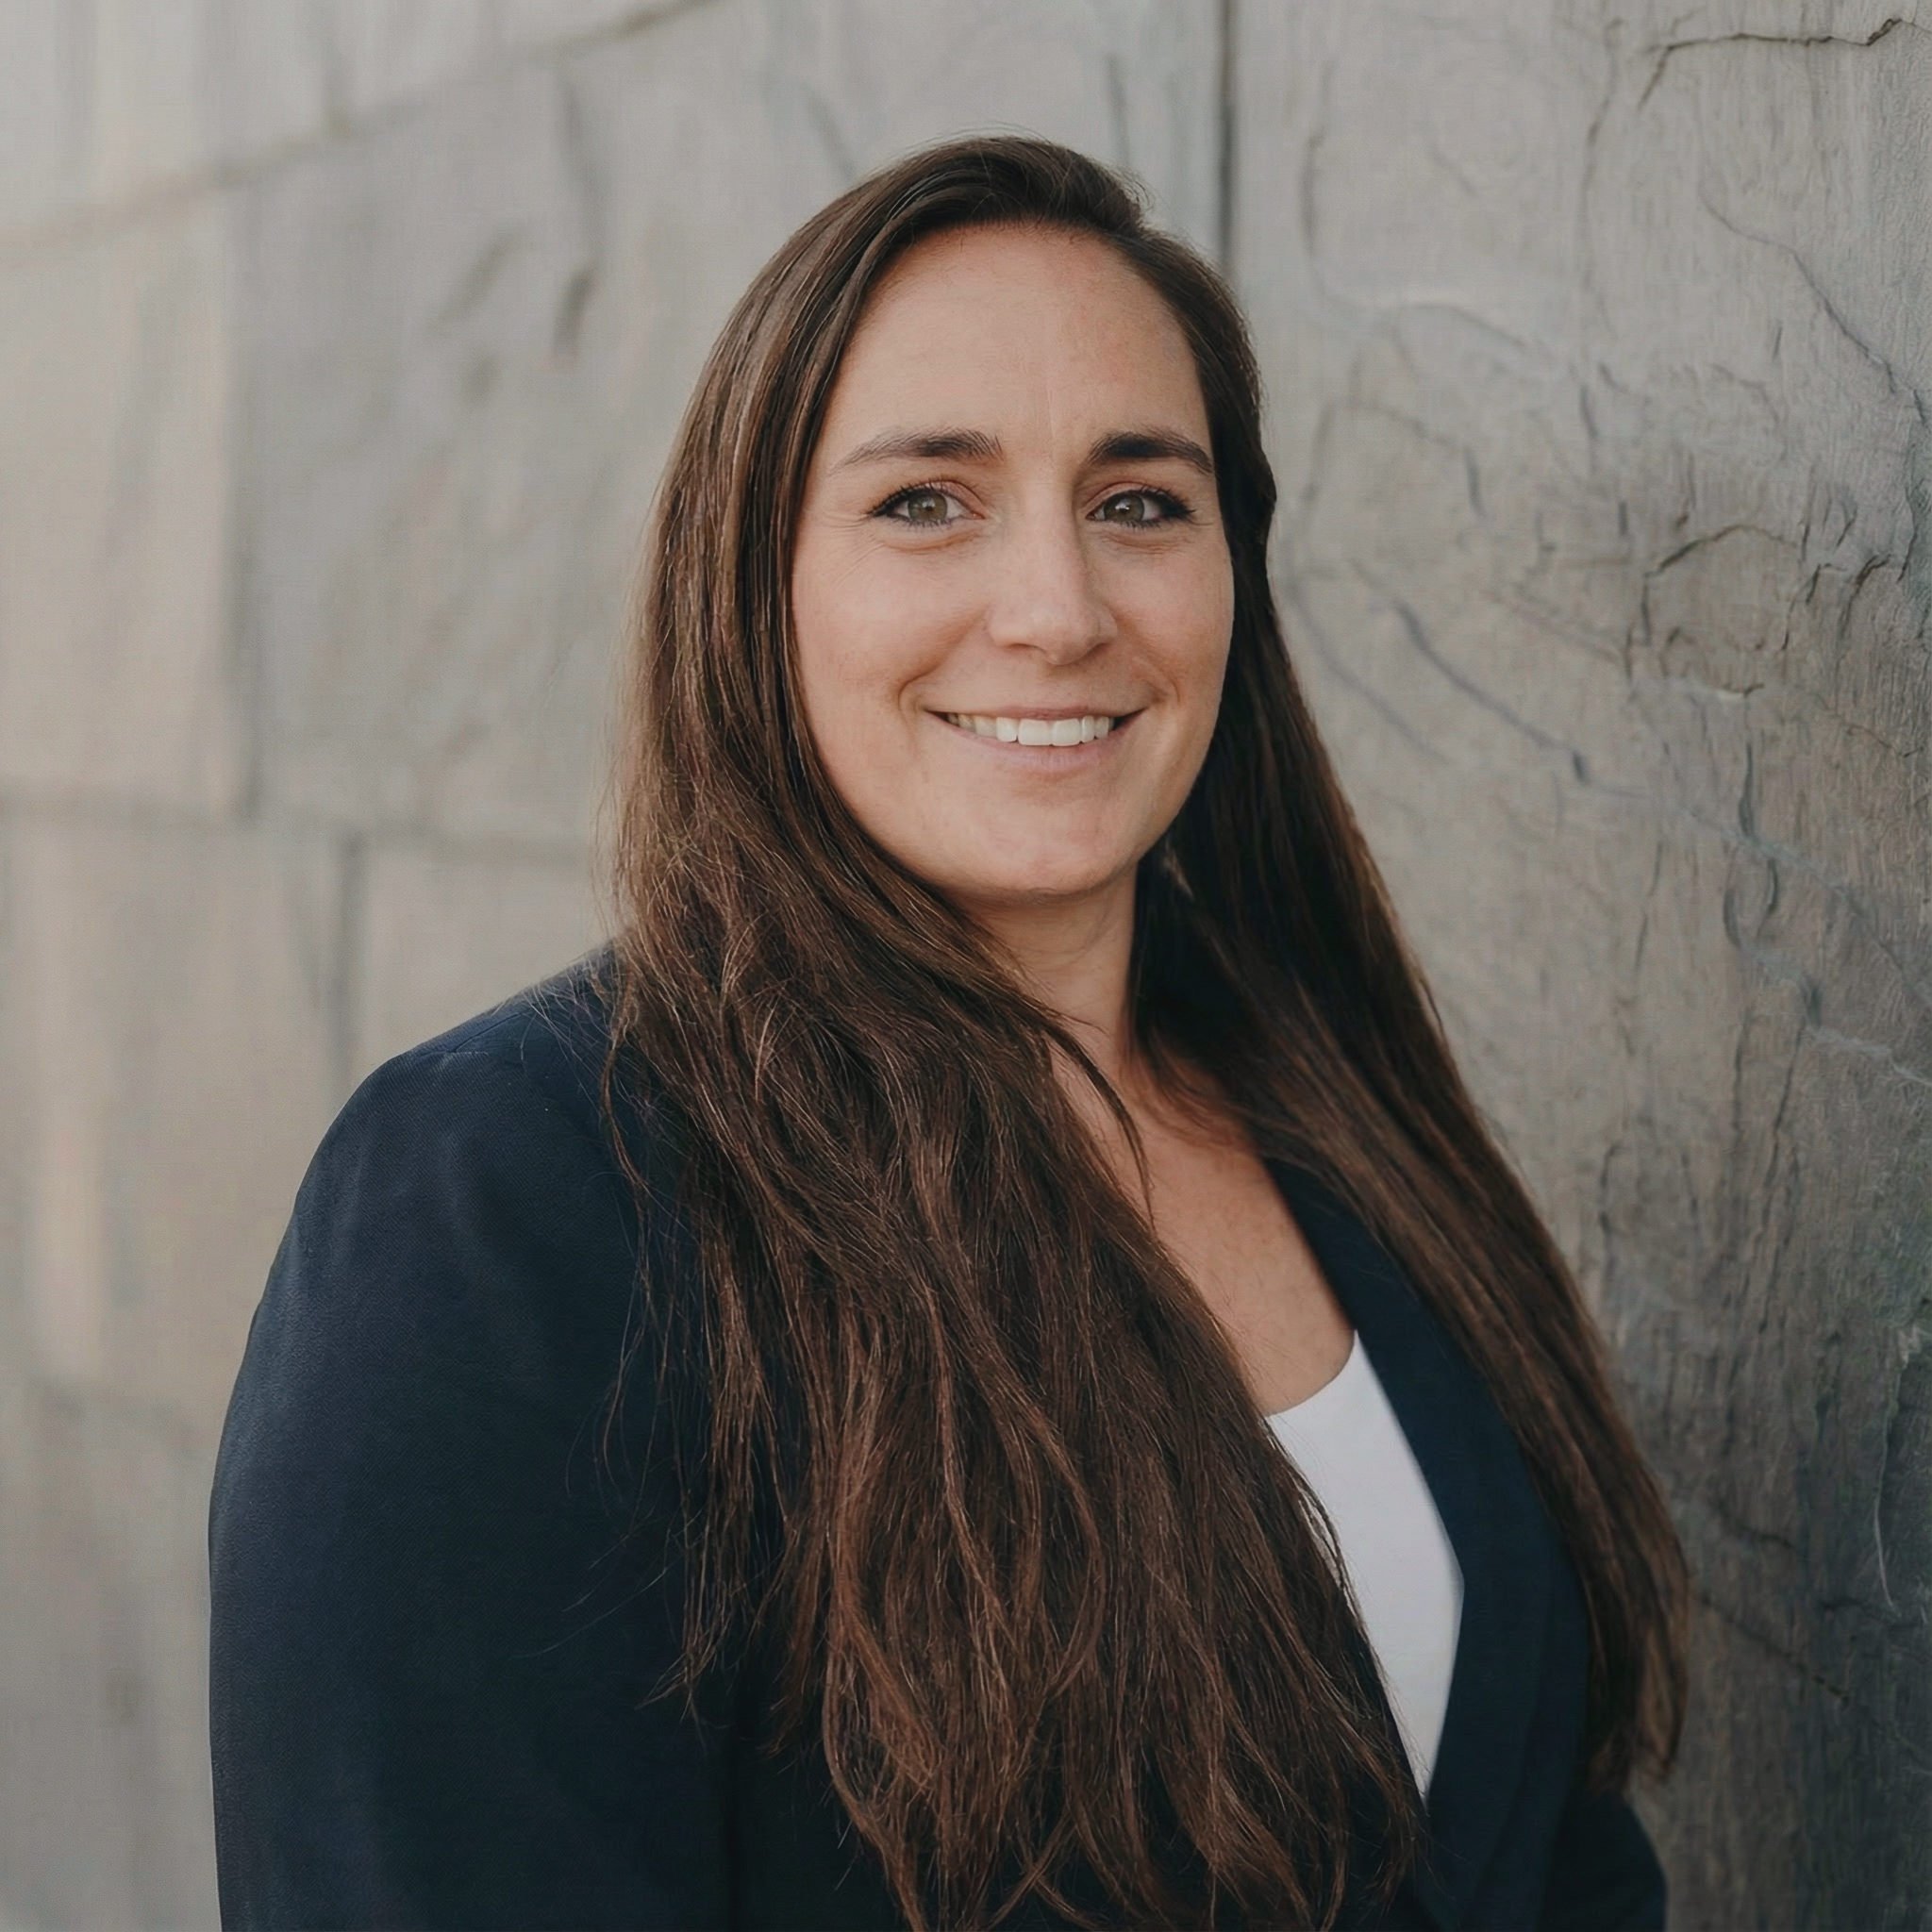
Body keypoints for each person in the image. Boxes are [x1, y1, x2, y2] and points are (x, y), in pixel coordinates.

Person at [208, 133, 1689, 1930]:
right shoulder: (503, 1210)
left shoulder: (1342, 1113)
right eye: (928, 500)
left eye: (1141, 500)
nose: (1059, 611)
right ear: (759, 586)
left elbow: (1544, 1842)